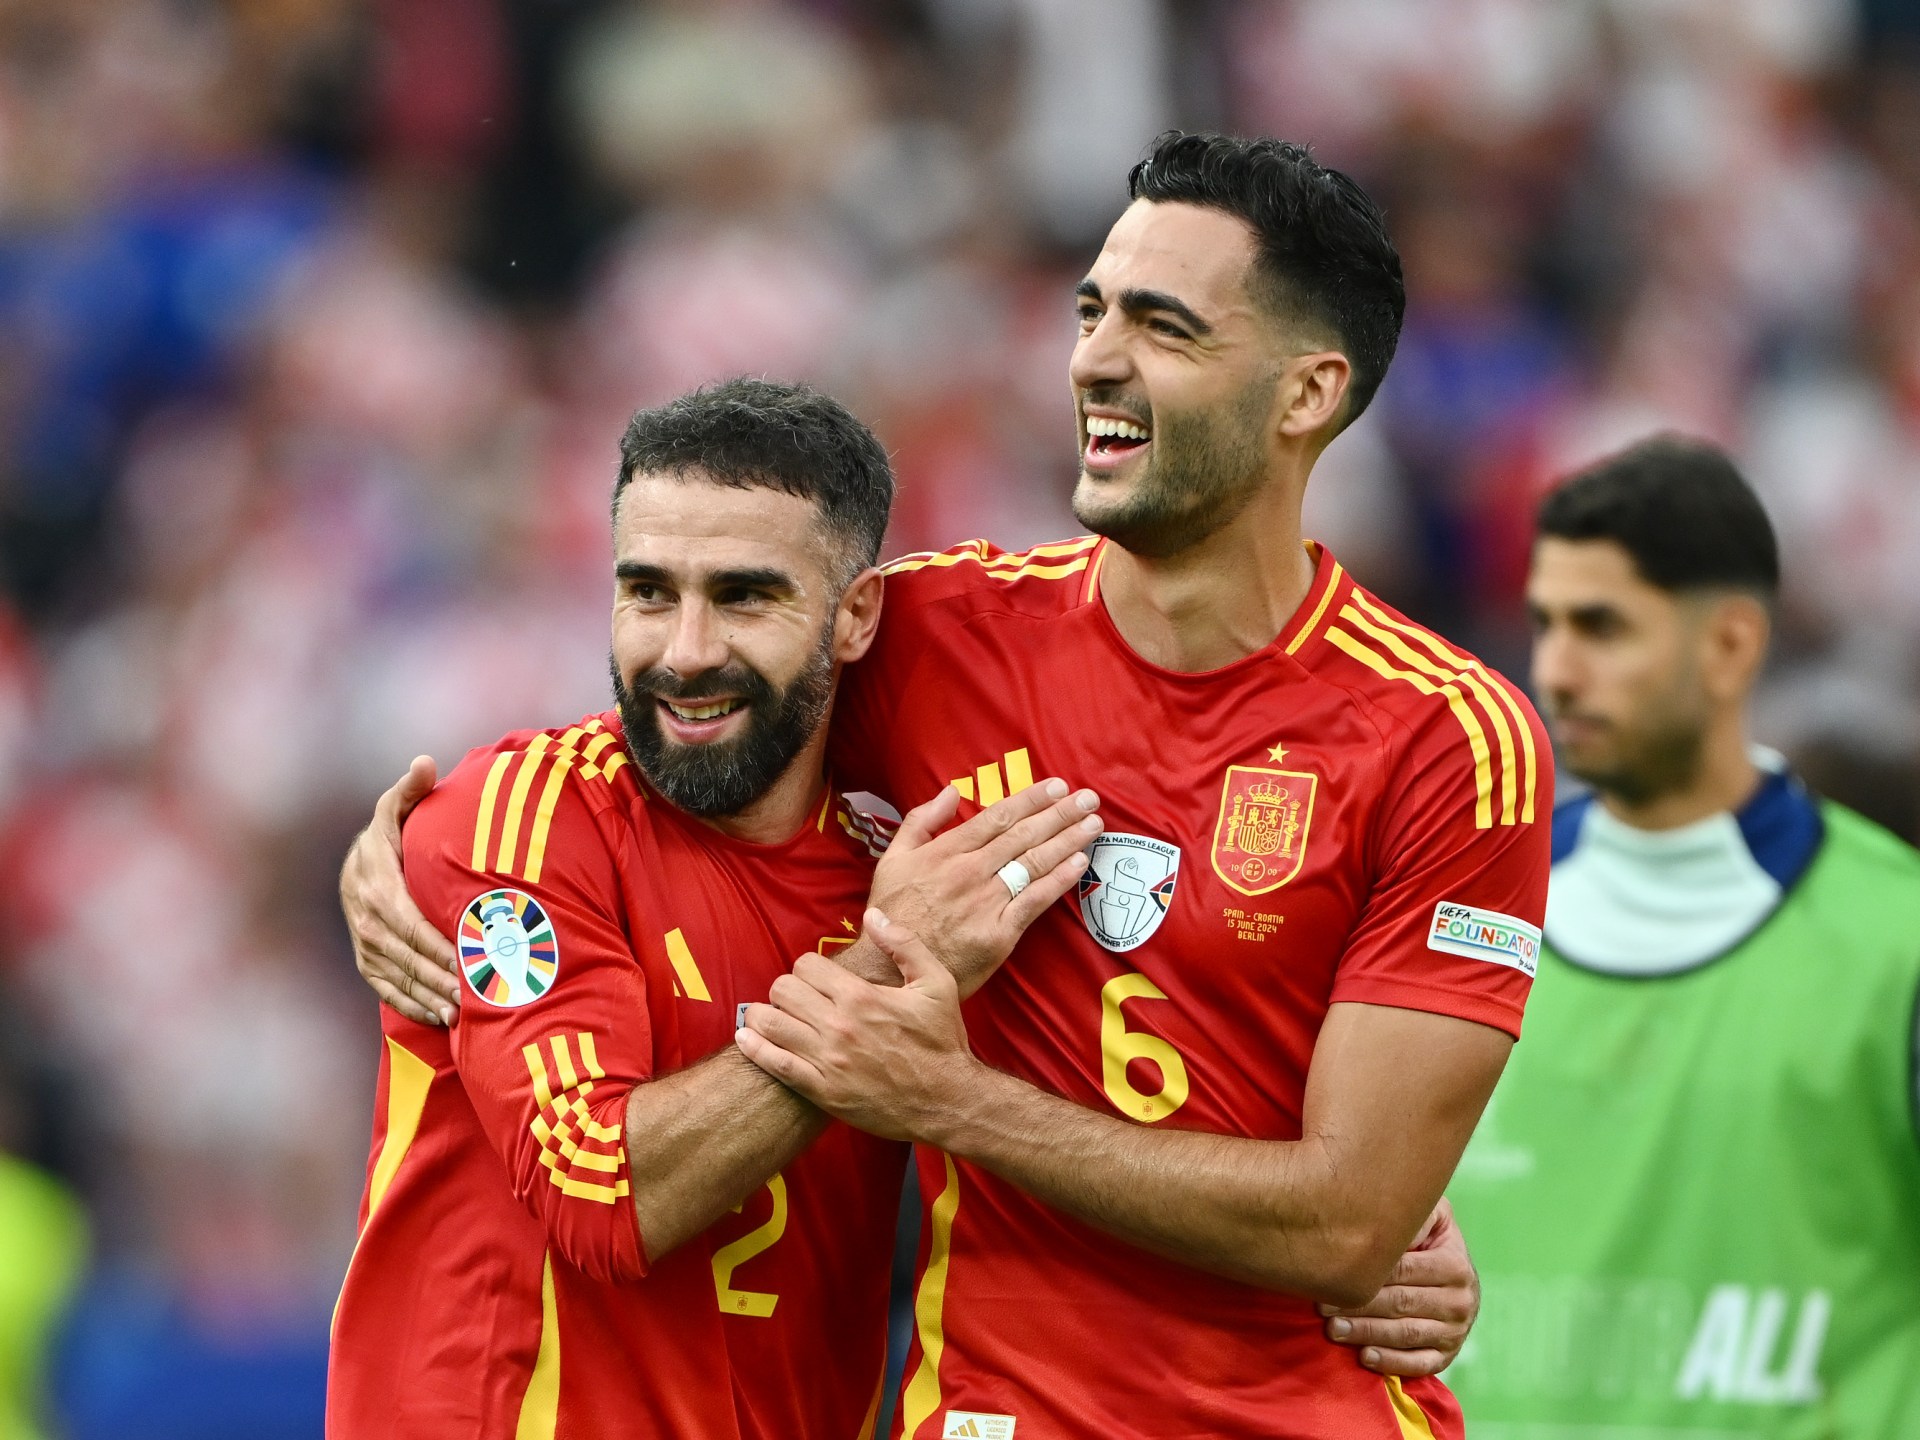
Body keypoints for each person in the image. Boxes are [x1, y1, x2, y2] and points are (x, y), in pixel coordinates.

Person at [347, 132, 1535, 1437]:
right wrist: (405, 849)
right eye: (1091, 311)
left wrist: (958, 1104)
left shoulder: (1450, 737)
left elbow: (1351, 1221)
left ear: (1307, 392)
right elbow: (677, 720)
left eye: (1163, 326)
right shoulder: (925, 640)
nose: (1095, 359)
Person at [327, 379, 1107, 1439]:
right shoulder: (519, 821)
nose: (686, 651)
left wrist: (1334, 1269)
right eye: (649, 593)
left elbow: (1060, 1155)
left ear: (854, 617)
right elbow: (601, 1194)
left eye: (743, 598)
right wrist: (878, 975)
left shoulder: (899, 875)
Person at [1443, 437, 1920, 1437]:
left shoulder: (1898, 942)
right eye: (1544, 623)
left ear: (1732, 645)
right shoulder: (1453, 916)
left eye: (1603, 627)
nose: (1555, 671)